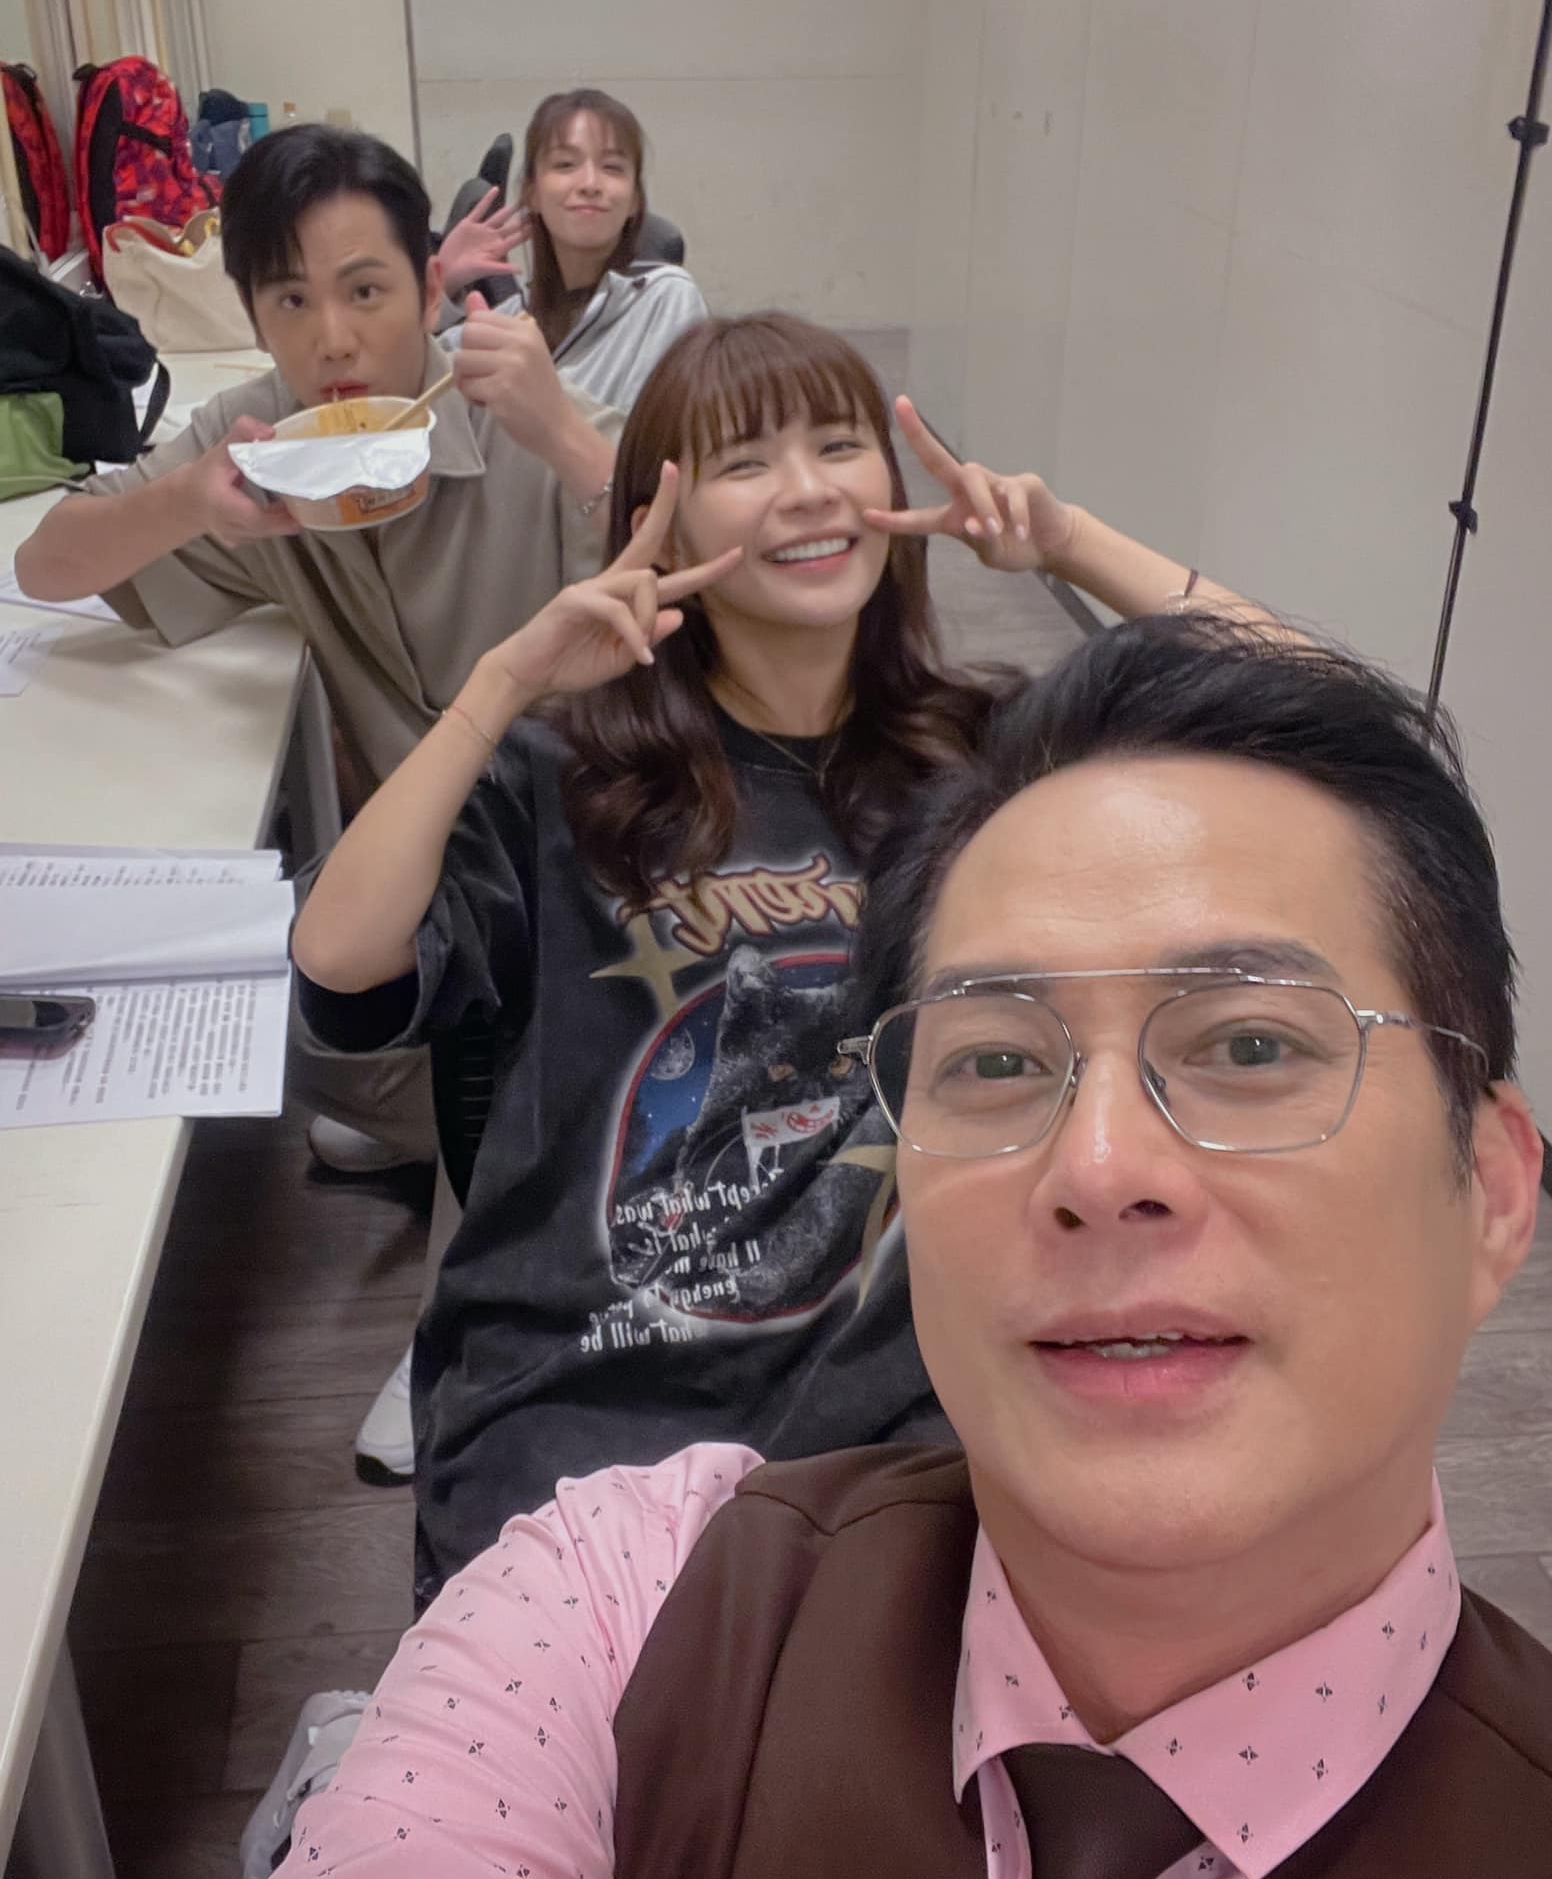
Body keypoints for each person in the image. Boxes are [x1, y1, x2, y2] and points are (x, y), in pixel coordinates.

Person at [167, 619, 1550, 1879]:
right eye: (998, 1061)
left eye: (1250, 1045)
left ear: (1494, 1191)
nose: (1098, 1167)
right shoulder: (633, 1606)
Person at [296, 311, 1260, 1580]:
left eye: (839, 444)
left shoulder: (986, 756)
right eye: (745, 461)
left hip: (894, 1419)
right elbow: (339, 961)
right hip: (585, 1400)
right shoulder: (561, 777)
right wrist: (501, 685)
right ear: (661, 519)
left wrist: (1067, 542)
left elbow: (1315, 704)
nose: (807, 489)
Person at [15, 123, 621, 1174]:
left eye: (365, 291)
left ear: (430, 291)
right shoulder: (259, 441)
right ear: (253, 315)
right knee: (278, 1033)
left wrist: (568, 438)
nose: (333, 340)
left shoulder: (525, 415)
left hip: (597, 862)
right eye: (290, 300)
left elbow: (718, 578)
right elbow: (47, 566)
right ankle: (484, 1117)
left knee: (555, 1064)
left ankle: (523, 1127)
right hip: (419, 888)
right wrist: (186, 502)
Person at [438, 88, 708, 414]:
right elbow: (413, 393)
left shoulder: (666, 298)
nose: (590, 183)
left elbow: (655, 438)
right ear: (532, 193)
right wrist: (440, 284)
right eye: (565, 164)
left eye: (612, 167)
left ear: (635, 200)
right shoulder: (513, 317)